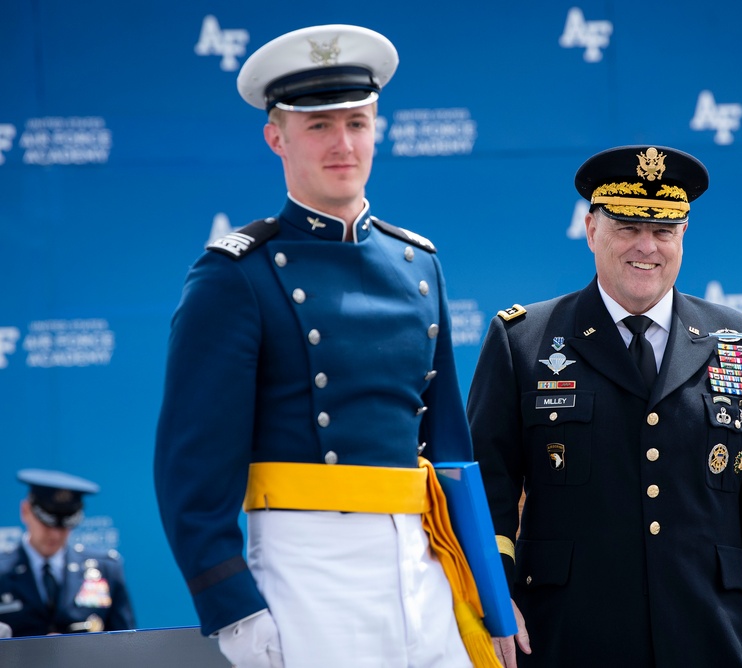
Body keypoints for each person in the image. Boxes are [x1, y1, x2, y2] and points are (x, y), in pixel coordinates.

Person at [154, 24, 495, 668]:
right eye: (318, 127)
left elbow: (450, 449)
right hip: (305, 573)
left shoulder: (419, 263)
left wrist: (487, 598)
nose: (344, 144)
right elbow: (190, 475)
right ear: (275, 137)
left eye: (358, 123)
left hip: (425, 568)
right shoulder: (236, 275)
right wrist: (236, 614)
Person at [468, 145, 742, 668]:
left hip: (710, 630)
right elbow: (488, 488)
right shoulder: (523, 340)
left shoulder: (740, 340)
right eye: (627, 227)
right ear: (591, 230)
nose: (646, 247)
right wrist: (493, 599)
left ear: (683, 236)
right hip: (568, 632)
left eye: (663, 231)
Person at [0, 469, 136, 636]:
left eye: (65, 525)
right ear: (26, 511)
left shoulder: (105, 568)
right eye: (47, 523)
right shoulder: (2, 571)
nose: (55, 534)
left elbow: (125, 644)